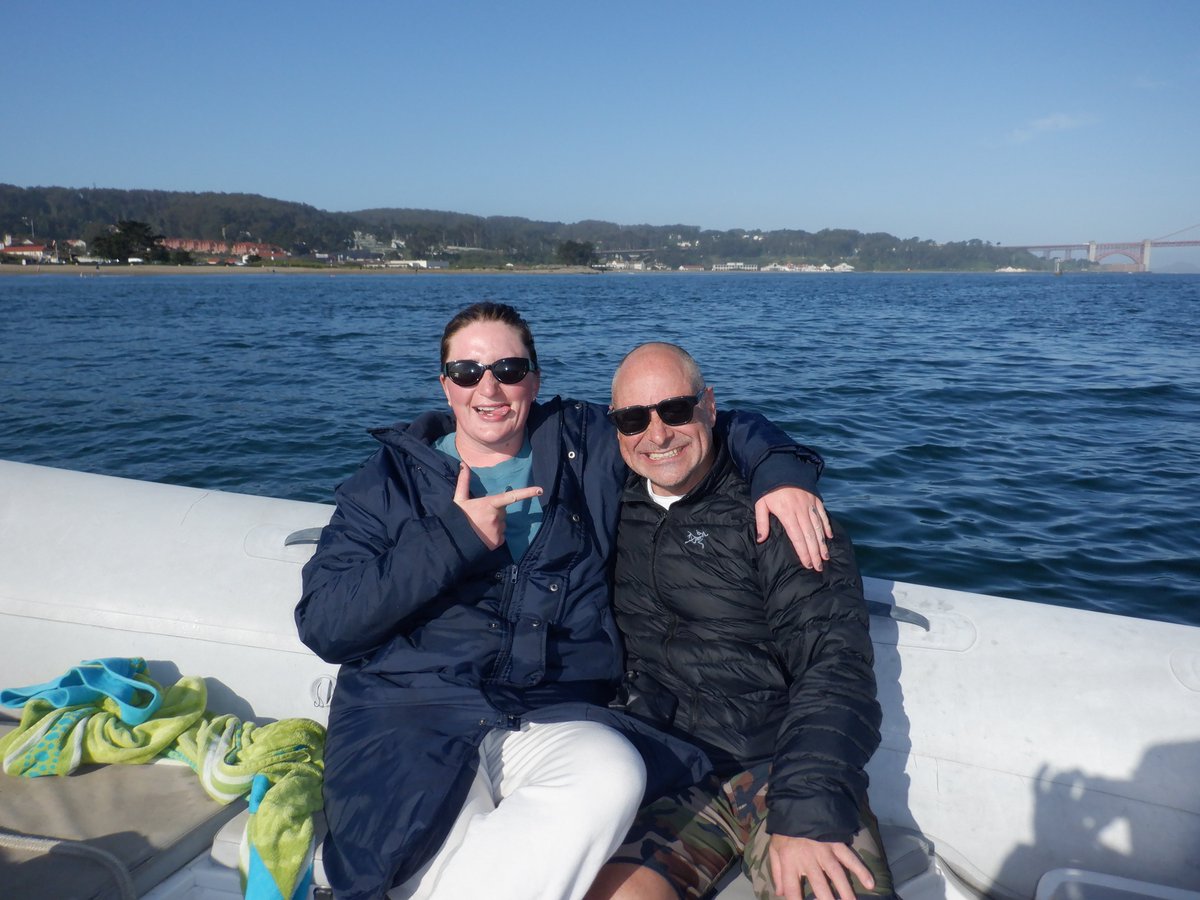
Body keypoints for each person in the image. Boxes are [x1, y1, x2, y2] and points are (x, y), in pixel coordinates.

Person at [294, 303, 832, 900]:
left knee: (612, 771)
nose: (489, 388)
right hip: (410, 710)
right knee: (413, 852)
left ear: (536, 378)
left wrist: (784, 474)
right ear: (445, 385)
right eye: (468, 372)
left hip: (548, 711)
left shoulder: (586, 444)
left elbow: (704, 427)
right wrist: (452, 539)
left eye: (509, 368)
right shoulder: (389, 484)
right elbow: (326, 623)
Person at [586, 343, 894, 900]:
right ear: (616, 429)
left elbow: (836, 662)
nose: (656, 435)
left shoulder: (779, 513)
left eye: (675, 411)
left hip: (777, 763)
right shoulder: (609, 504)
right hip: (668, 767)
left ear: (708, 406)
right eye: (633, 419)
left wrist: (805, 812)